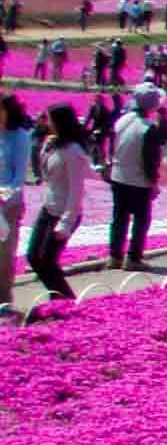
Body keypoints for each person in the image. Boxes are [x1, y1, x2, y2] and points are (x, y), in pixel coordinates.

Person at [22, 105, 91, 320]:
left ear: (59, 121)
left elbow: (76, 189)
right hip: (48, 208)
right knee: (34, 257)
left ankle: (66, 302)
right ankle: (60, 300)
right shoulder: (54, 144)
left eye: (48, 118)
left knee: (48, 261)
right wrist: (45, 148)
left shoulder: (74, 151)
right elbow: (45, 173)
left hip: (63, 213)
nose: (45, 121)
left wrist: (66, 222)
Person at [106, 85, 166, 269]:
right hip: (138, 180)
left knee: (119, 218)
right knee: (141, 219)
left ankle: (115, 256)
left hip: (118, 176)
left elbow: (111, 147)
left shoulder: (122, 120)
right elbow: (150, 160)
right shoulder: (149, 128)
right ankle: (133, 258)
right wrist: (153, 182)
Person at [0, 94, 30, 307]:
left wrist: (3, 198)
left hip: (7, 205)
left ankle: (3, 299)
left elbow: (18, 177)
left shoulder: (19, 137)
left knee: (4, 255)